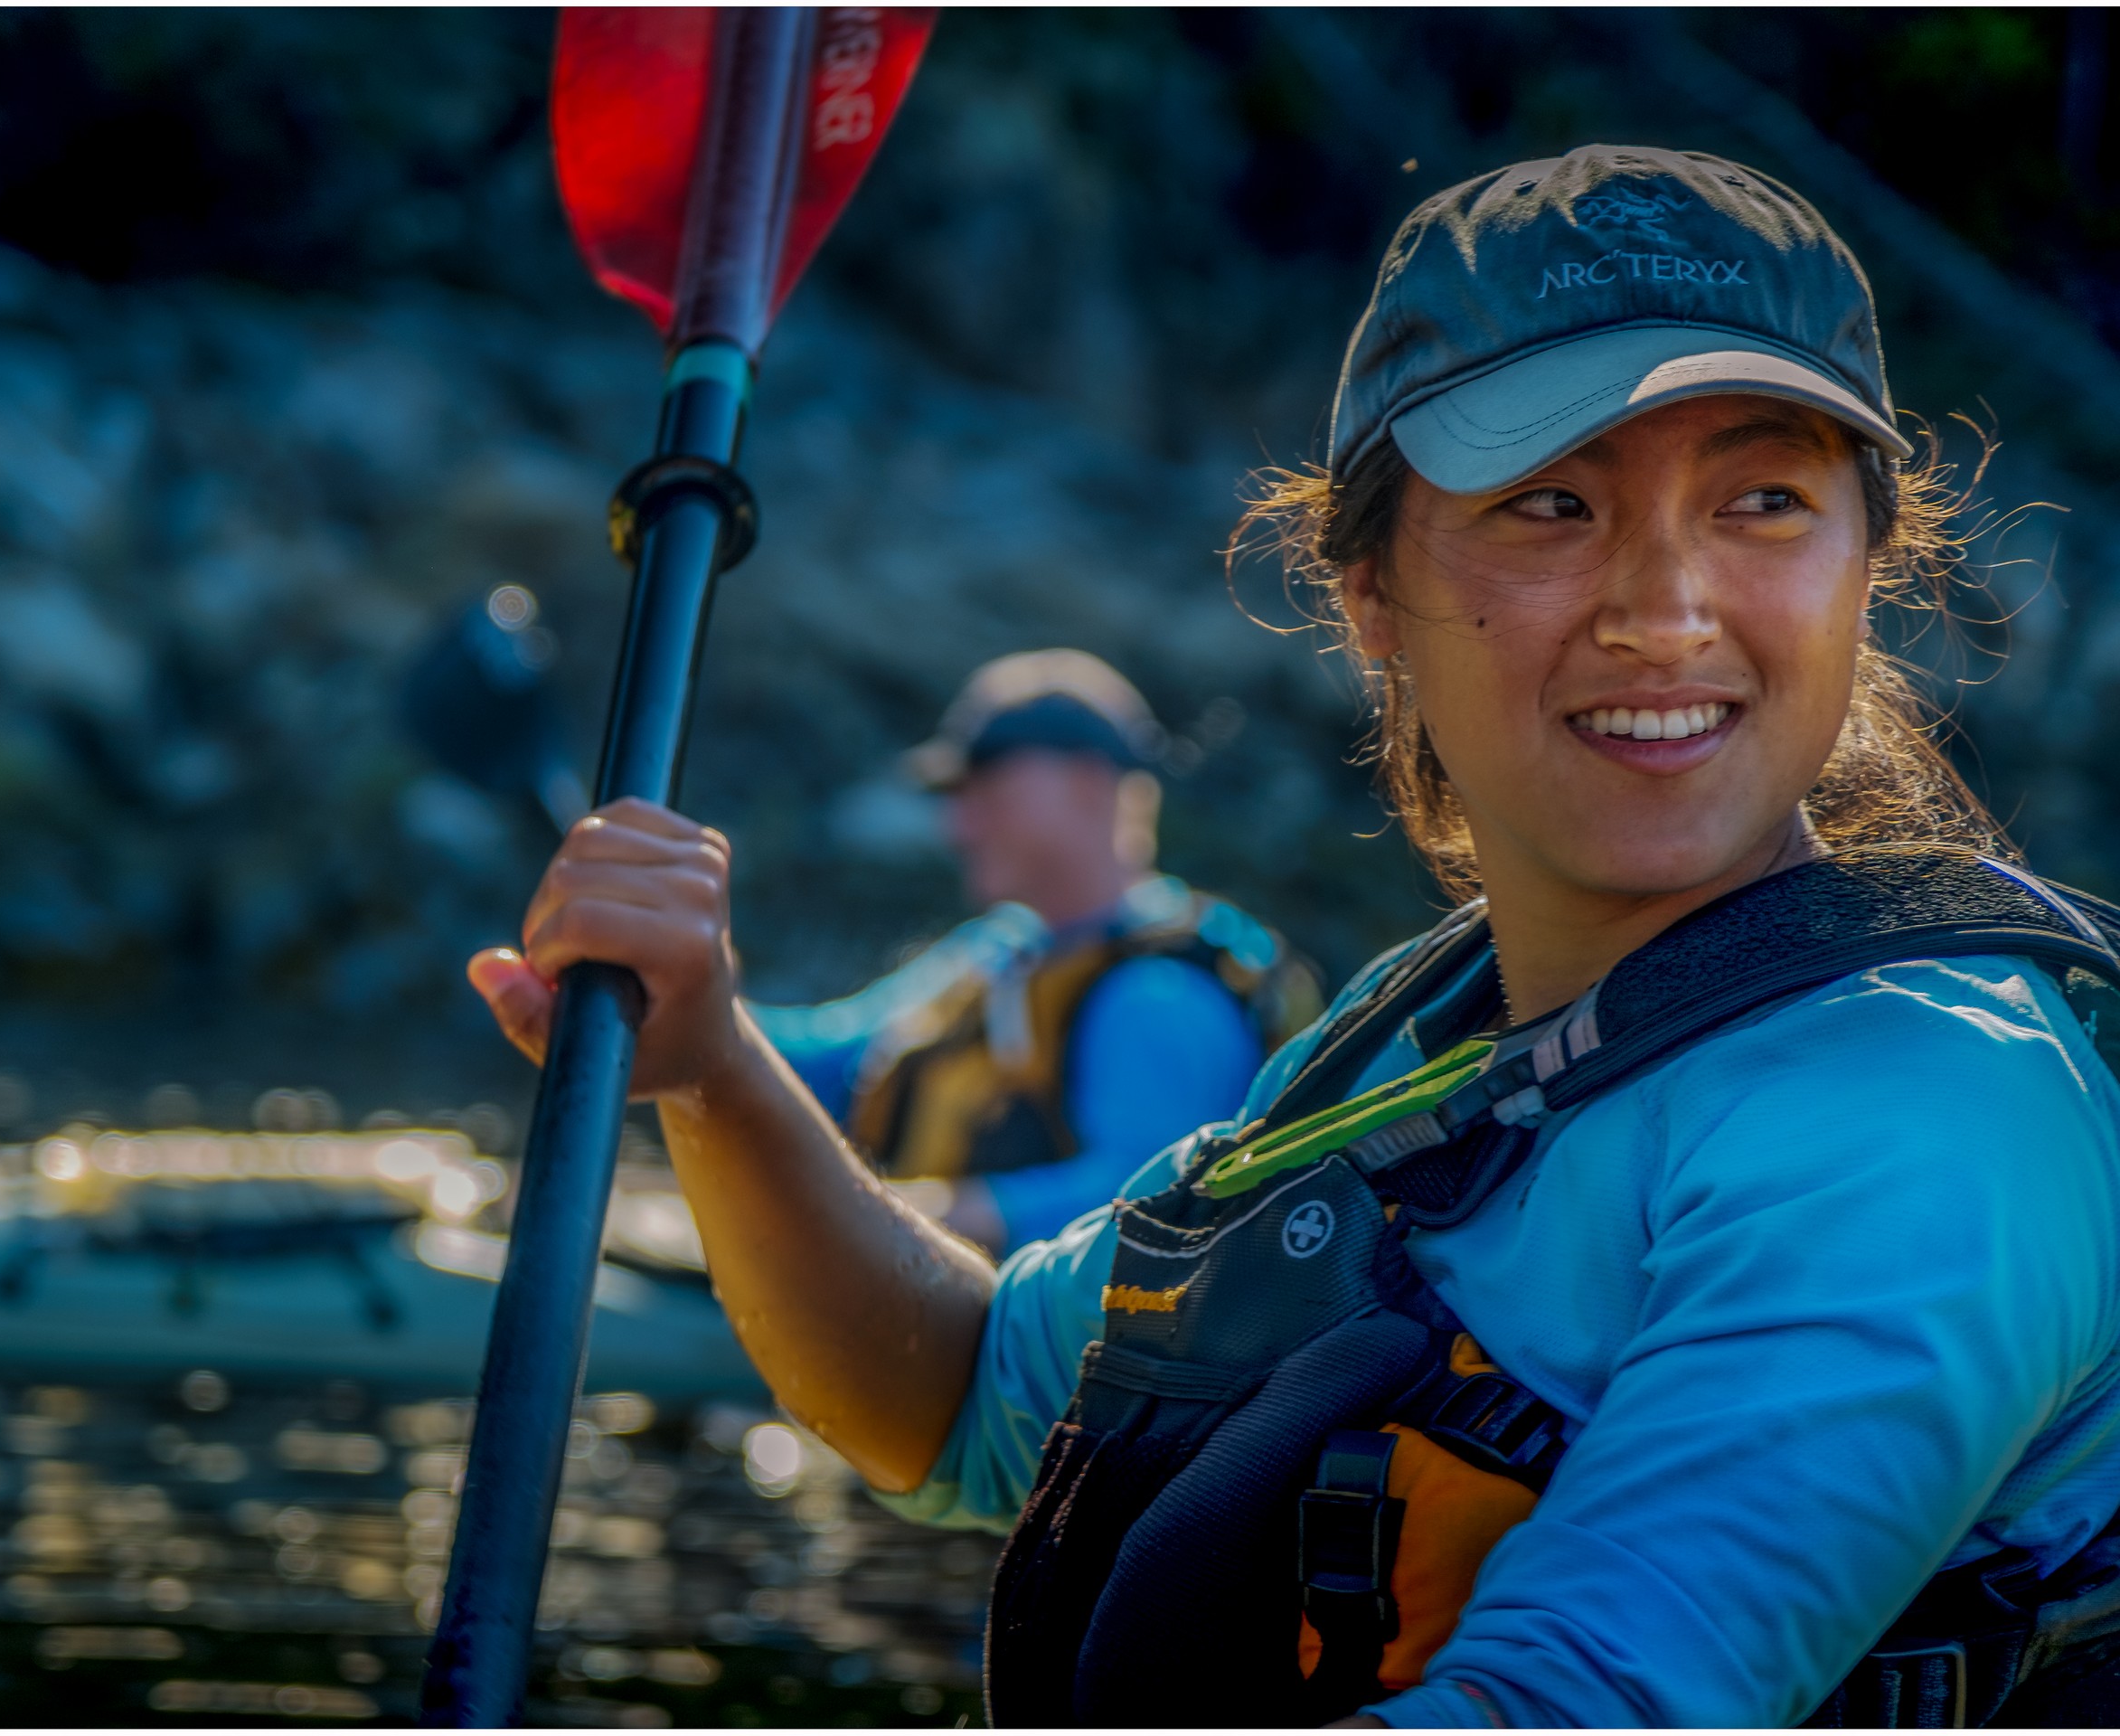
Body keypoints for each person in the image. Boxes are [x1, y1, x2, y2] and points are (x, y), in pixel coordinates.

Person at [467, 144, 2120, 1727]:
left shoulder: (1924, 1122)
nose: (1666, 607)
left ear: (1866, 573)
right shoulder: (1417, 1045)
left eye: (1764, 498)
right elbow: (965, 1400)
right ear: (1371, 599)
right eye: (1552, 504)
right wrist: (717, 1073)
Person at [747, 649, 1318, 1257]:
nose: (958, 826)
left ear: (1089, 785)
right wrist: (701, 999)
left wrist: (902, 1212)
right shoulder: (996, 950)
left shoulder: (1163, 992)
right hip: (921, 1301)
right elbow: (827, 1065)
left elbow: (1145, 1204)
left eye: (987, 788)